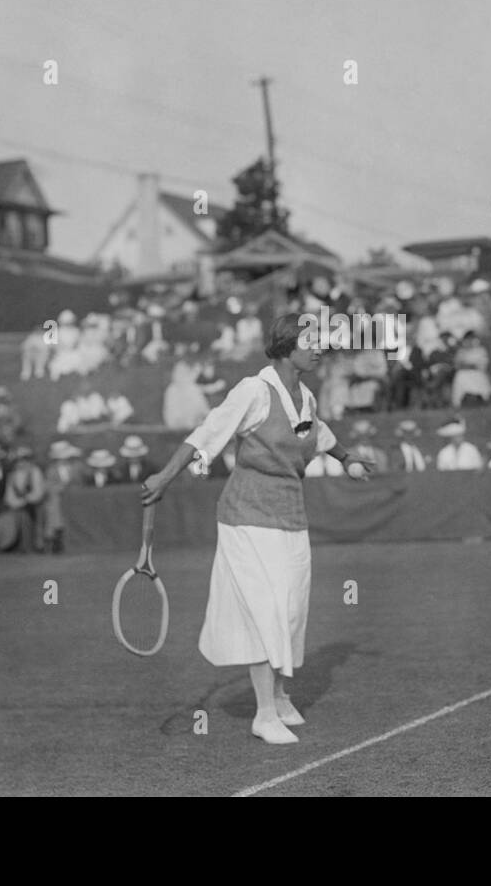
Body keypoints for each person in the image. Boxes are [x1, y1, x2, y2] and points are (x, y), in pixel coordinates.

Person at [141, 313, 372, 746]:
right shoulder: (252, 390)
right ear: (287, 347)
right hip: (246, 516)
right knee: (266, 610)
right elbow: (207, 434)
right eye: (310, 341)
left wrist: (347, 458)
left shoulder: (305, 396)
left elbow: (317, 433)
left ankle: (280, 697)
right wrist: (164, 478)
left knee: (289, 610)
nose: (318, 347)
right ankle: (264, 714)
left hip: (290, 515)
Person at [0, 447, 46, 551]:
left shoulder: (35, 472)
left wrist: (26, 501)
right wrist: (16, 504)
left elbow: (38, 493)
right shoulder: (12, 475)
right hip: (17, 506)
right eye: (19, 460)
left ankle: (37, 544)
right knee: (10, 518)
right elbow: (9, 496)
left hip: (32, 506)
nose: (21, 463)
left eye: (24, 459)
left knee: (32, 516)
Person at [43, 441, 82, 553]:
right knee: (54, 509)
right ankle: (55, 538)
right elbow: (49, 487)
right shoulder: (51, 470)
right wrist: (62, 488)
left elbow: (80, 483)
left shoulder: (75, 468)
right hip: (58, 501)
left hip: (74, 500)